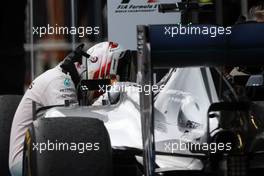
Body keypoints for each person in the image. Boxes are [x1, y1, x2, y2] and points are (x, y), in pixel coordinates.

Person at [9, 41, 127, 176]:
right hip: (25, 163)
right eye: (111, 81)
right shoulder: (59, 81)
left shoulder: (65, 77)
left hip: (41, 154)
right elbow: (74, 132)